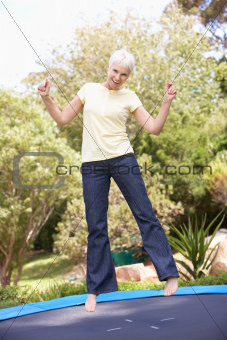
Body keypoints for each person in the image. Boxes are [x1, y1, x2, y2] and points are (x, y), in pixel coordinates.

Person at [38, 48, 179, 313]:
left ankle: (169, 273)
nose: (118, 77)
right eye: (115, 71)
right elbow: (61, 119)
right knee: (96, 227)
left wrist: (167, 101)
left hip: (123, 159)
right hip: (92, 165)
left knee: (145, 215)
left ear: (128, 76)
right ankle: (95, 289)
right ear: (108, 67)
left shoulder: (129, 96)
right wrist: (47, 97)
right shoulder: (88, 89)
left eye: (124, 74)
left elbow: (154, 128)